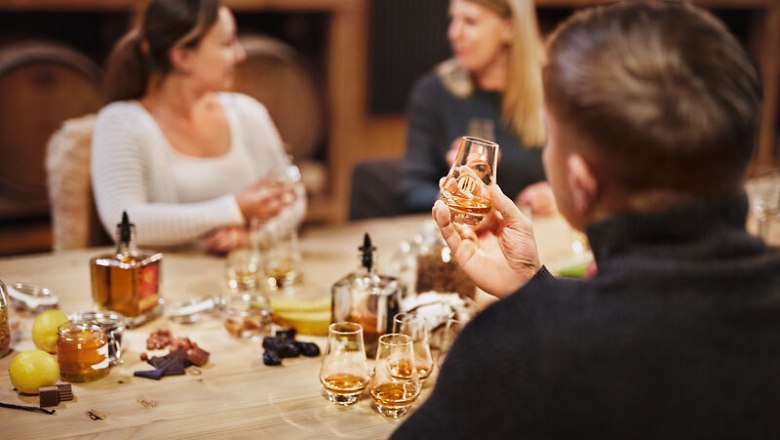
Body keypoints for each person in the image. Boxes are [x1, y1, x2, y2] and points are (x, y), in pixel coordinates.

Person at [393, 1, 780, 438]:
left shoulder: (516, 349)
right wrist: (533, 290)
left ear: (581, 181)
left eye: (550, 137)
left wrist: (531, 314)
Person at [91, 0, 305, 253]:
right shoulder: (121, 122)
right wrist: (234, 209)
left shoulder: (248, 113)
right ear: (183, 56)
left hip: (244, 282)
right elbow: (123, 221)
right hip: (165, 286)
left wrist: (249, 240)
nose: (240, 55)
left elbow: (293, 198)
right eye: (227, 43)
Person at [399, 0, 555, 216]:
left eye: (470, 22)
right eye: (452, 19)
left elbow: (584, 177)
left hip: (538, 238)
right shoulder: (433, 92)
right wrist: (452, 193)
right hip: (461, 238)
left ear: (509, 29)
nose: (453, 33)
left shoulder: (554, 90)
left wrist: (557, 196)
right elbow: (412, 191)